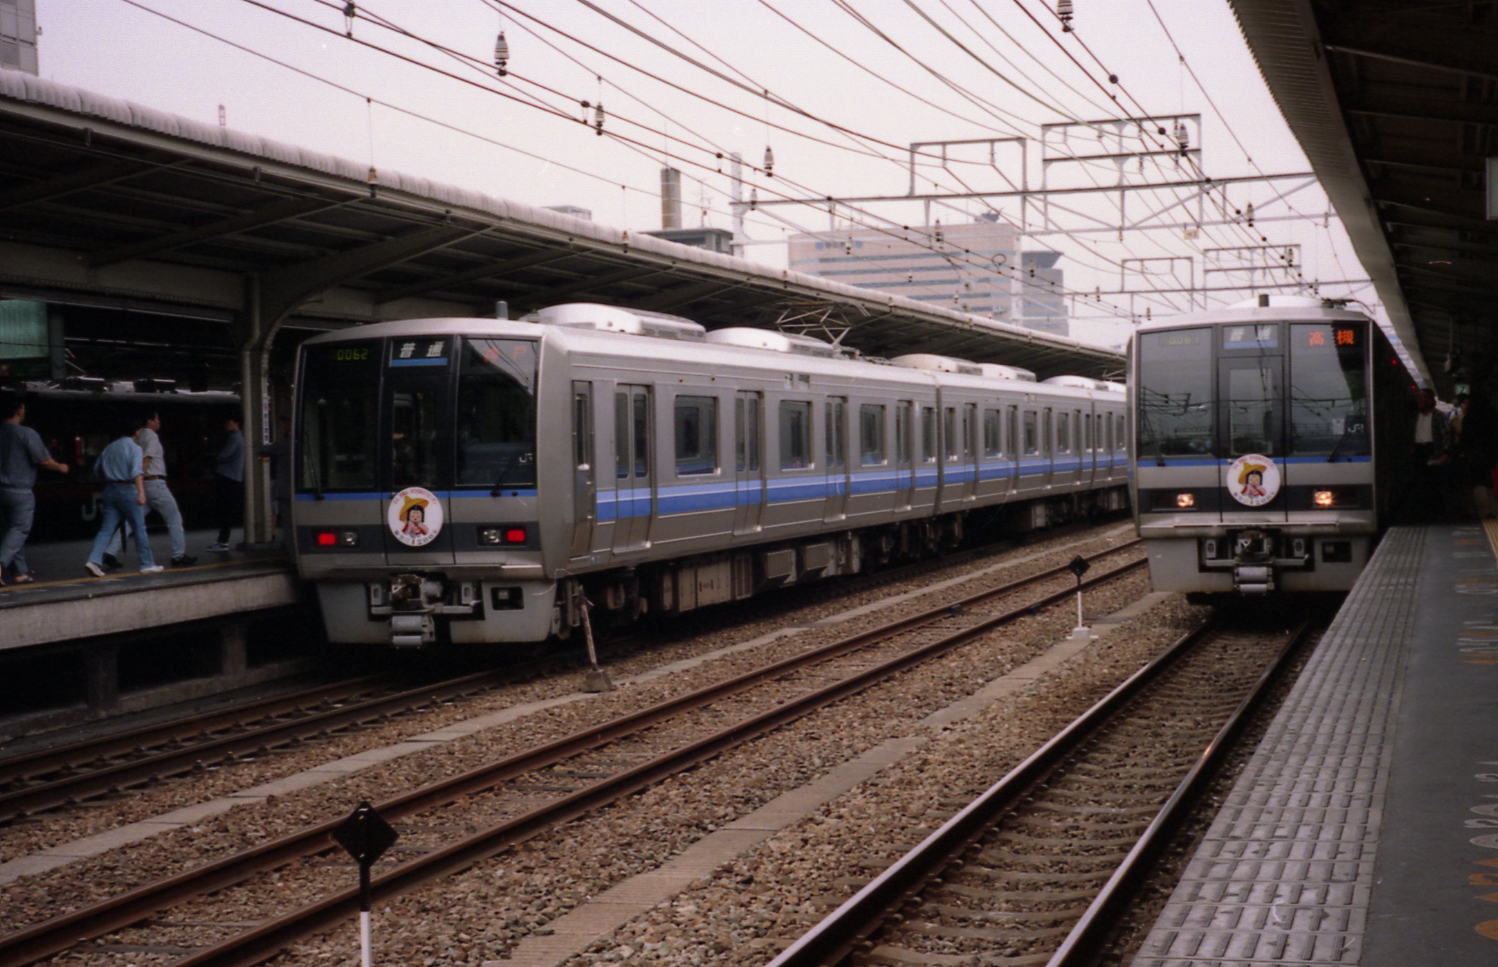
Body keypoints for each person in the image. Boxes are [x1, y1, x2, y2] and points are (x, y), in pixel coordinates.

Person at [102, 411, 196, 568]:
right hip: (155, 483)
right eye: (157, 419)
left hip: (142, 484)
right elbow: (146, 459)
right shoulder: (151, 436)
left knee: (131, 520)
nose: (159, 422)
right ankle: (178, 555)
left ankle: (110, 552)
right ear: (149, 421)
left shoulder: (137, 437)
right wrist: (140, 475)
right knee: (174, 518)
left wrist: (135, 483)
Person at [0, 394, 70, 586]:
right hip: (20, 489)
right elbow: (43, 460)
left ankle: (20, 572)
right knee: (20, 529)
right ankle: (1, 564)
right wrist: (60, 467)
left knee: (9, 531)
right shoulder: (26, 433)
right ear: (19, 410)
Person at [85, 417, 162, 576]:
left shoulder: (109, 448)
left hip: (109, 489)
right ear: (137, 432)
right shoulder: (135, 448)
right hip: (127, 489)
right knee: (139, 527)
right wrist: (141, 493)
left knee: (106, 529)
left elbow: (97, 469)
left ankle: (93, 560)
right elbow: (136, 472)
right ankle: (146, 563)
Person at [208, 416, 244, 552]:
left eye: (229, 422)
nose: (226, 425)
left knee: (224, 510)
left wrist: (215, 457)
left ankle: (223, 541)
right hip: (233, 478)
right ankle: (222, 541)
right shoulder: (238, 437)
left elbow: (224, 455)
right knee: (226, 510)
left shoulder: (235, 438)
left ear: (236, 423)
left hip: (228, 478)